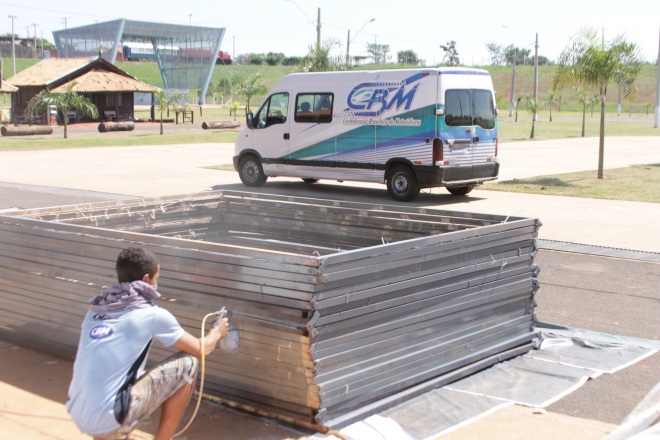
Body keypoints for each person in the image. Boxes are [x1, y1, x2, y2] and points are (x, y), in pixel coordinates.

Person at [66, 246, 228, 440]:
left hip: (78, 412)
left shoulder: (97, 309)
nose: (156, 283)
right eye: (156, 278)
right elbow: (201, 350)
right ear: (145, 279)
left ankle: (105, 434)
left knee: (126, 377)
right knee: (188, 363)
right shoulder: (150, 314)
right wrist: (217, 332)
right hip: (107, 418)